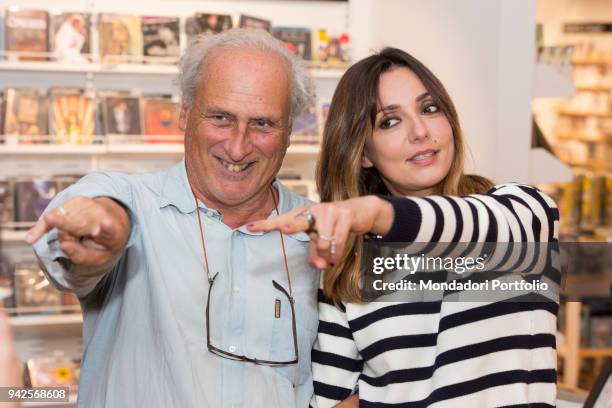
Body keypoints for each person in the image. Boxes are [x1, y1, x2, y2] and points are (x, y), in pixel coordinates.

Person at [25, 29, 320, 408]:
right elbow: (92, 219)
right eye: (220, 117)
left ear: (289, 132)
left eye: (263, 124)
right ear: (184, 113)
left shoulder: (319, 233)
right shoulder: (133, 201)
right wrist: (105, 233)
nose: (238, 145)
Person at [249, 47, 559, 407]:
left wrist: (379, 214)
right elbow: (334, 400)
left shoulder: (522, 209)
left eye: (429, 109)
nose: (420, 132)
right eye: (389, 121)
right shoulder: (349, 267)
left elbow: (470, 225)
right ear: (363, 153)